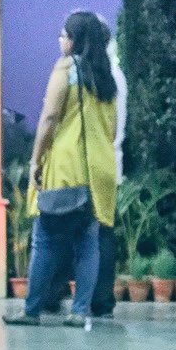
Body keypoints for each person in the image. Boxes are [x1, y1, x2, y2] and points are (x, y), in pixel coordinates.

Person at [3, 11, 117, 328]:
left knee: (46, 240)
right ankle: (80, 311)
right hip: (100, 170)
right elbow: (113, 130)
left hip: (69, 167)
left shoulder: (67, 69)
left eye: (64, 34)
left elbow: (50, 118)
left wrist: (35, 159)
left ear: (75, 40)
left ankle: (31, 310)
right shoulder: (106, 79)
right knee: (88, 243)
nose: (60, 40)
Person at [42, 18, 127, 318]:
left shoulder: (79, 71)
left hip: (82, 165)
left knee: (68, 231)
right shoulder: (112, 75)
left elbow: (53, 117)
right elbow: (116, 130)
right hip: (106, 165)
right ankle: (98, 301)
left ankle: (52, 295)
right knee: (98, 236)